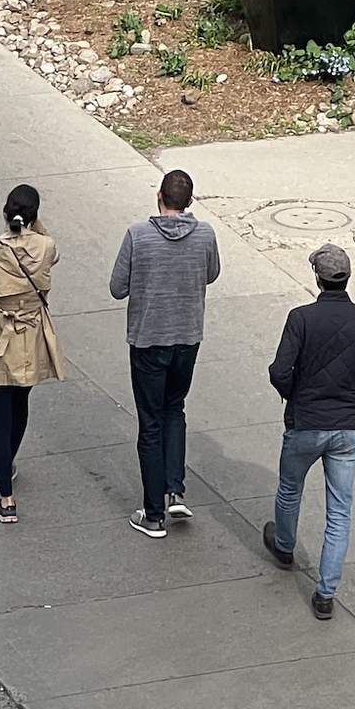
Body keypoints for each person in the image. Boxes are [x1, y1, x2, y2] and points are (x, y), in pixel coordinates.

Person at [262, 243, 355, 621]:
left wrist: (296, 396)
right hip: (347, 429)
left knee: (290, 489)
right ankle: (326, 593)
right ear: (347, 278)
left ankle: (285, 546)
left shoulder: (300, 318)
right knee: (339, 510)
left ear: (317, 277)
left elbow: (279, 371)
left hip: (305, 424)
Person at [109, 167, 220, 541]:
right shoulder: (205, 233)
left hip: (148, 340)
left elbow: (117, 288)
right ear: (189, 201)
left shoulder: (138, 235)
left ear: (159, 196)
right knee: (175, 408)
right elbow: (212, 273)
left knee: (150, 423)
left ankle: (153, 514)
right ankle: (175, 490)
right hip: (187, 338)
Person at [0, 184, 65, 526]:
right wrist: (36, 226)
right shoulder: (45, 247)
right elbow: (54, 250)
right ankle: (7, 463)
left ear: (5, 215)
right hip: (31, 337)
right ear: (35, 217)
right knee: (21, 406)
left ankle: (6, 498)